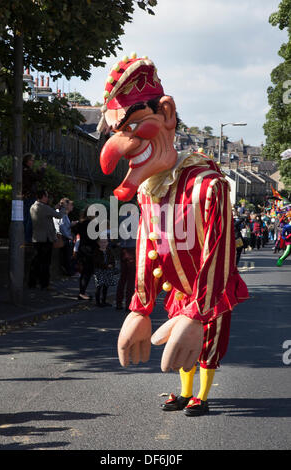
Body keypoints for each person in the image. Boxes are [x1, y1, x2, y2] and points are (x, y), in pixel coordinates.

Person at [97, 53, 249, 416]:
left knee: (205, 342)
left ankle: (203, 394)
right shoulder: (152, 189)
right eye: (119, 133)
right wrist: (140, 306)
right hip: (178, 291)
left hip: (209, 291)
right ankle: (184, 391)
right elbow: (146, 244)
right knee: (179, 351)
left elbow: (219, 251)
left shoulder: (208, 185)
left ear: (166, 114)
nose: (123, 143)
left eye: (132, 127)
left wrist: (199, 311)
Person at [28, 189, 65, 289]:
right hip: (46, 239)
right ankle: (45, 284)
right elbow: (59, 215)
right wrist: (62, 207)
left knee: (35, 262)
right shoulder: (45, 207)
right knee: (45, 263)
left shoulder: (33, 206)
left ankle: (32, 282)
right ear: (43, 197)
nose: (48, 198)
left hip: (36, 238)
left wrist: (54, 208)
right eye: (47, 196)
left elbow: (46, 214)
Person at [72, 207, 97, 300]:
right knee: (87, 272)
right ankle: (82, 292)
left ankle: (82, 291)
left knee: (84, 272)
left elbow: (73, 231)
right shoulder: (94, 224)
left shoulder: (80, 223)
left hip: (82, 249)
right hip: (90, 250)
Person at [116, 213, 138, 313]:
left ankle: (118, 302)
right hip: (132, 248)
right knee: (131, 278)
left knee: (123, 277)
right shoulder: (136, 219)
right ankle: (128, 303)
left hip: (123, 248)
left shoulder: (121, 218)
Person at [22, 153, 47, 243]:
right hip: (29, 197)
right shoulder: (26, 170)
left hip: (27, 197)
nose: (33, 162)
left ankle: (26, 238)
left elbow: (34, 177)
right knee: (29, 218)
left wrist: (38, 171)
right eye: (31, 160)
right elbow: (38, 178)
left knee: (27, 218)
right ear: (27, 161)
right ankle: (27, 239)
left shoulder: (25, 170)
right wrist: (43, 169)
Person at [93, 233, 117, 307]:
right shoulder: (96, 251)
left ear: (107, 243)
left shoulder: (109, 251)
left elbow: (112, 259)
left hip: (107, 271)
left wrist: (112, 265)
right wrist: (106, 265)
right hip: (99, 271)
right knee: (99, 286)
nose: (103, 244)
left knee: (106, 286)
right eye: (101, 242)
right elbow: (96, 261)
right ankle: (97, 302)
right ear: (98, 243)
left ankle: (103, 301)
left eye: (105, 242)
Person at [58, 198, 78, 276]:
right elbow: (62, 227)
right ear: (66, 206)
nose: (72, 206)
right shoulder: (63, 214)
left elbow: (64, 226)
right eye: (70, 205)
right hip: (64, 238)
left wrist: (71, 224)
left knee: (71, 253)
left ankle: (71, 270)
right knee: (69, 255)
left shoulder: (65, 214)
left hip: (66, 237)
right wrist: (69, 236)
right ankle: (70, 271)